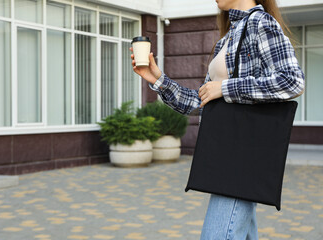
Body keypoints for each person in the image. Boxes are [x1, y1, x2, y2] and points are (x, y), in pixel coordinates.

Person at [130, 0, 305, 239]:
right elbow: (202, 102)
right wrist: (157, 79)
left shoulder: (260, 23)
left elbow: (291, 81)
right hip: (228, 158)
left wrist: (226, 88)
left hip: (241, 158)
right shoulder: (227, 38)